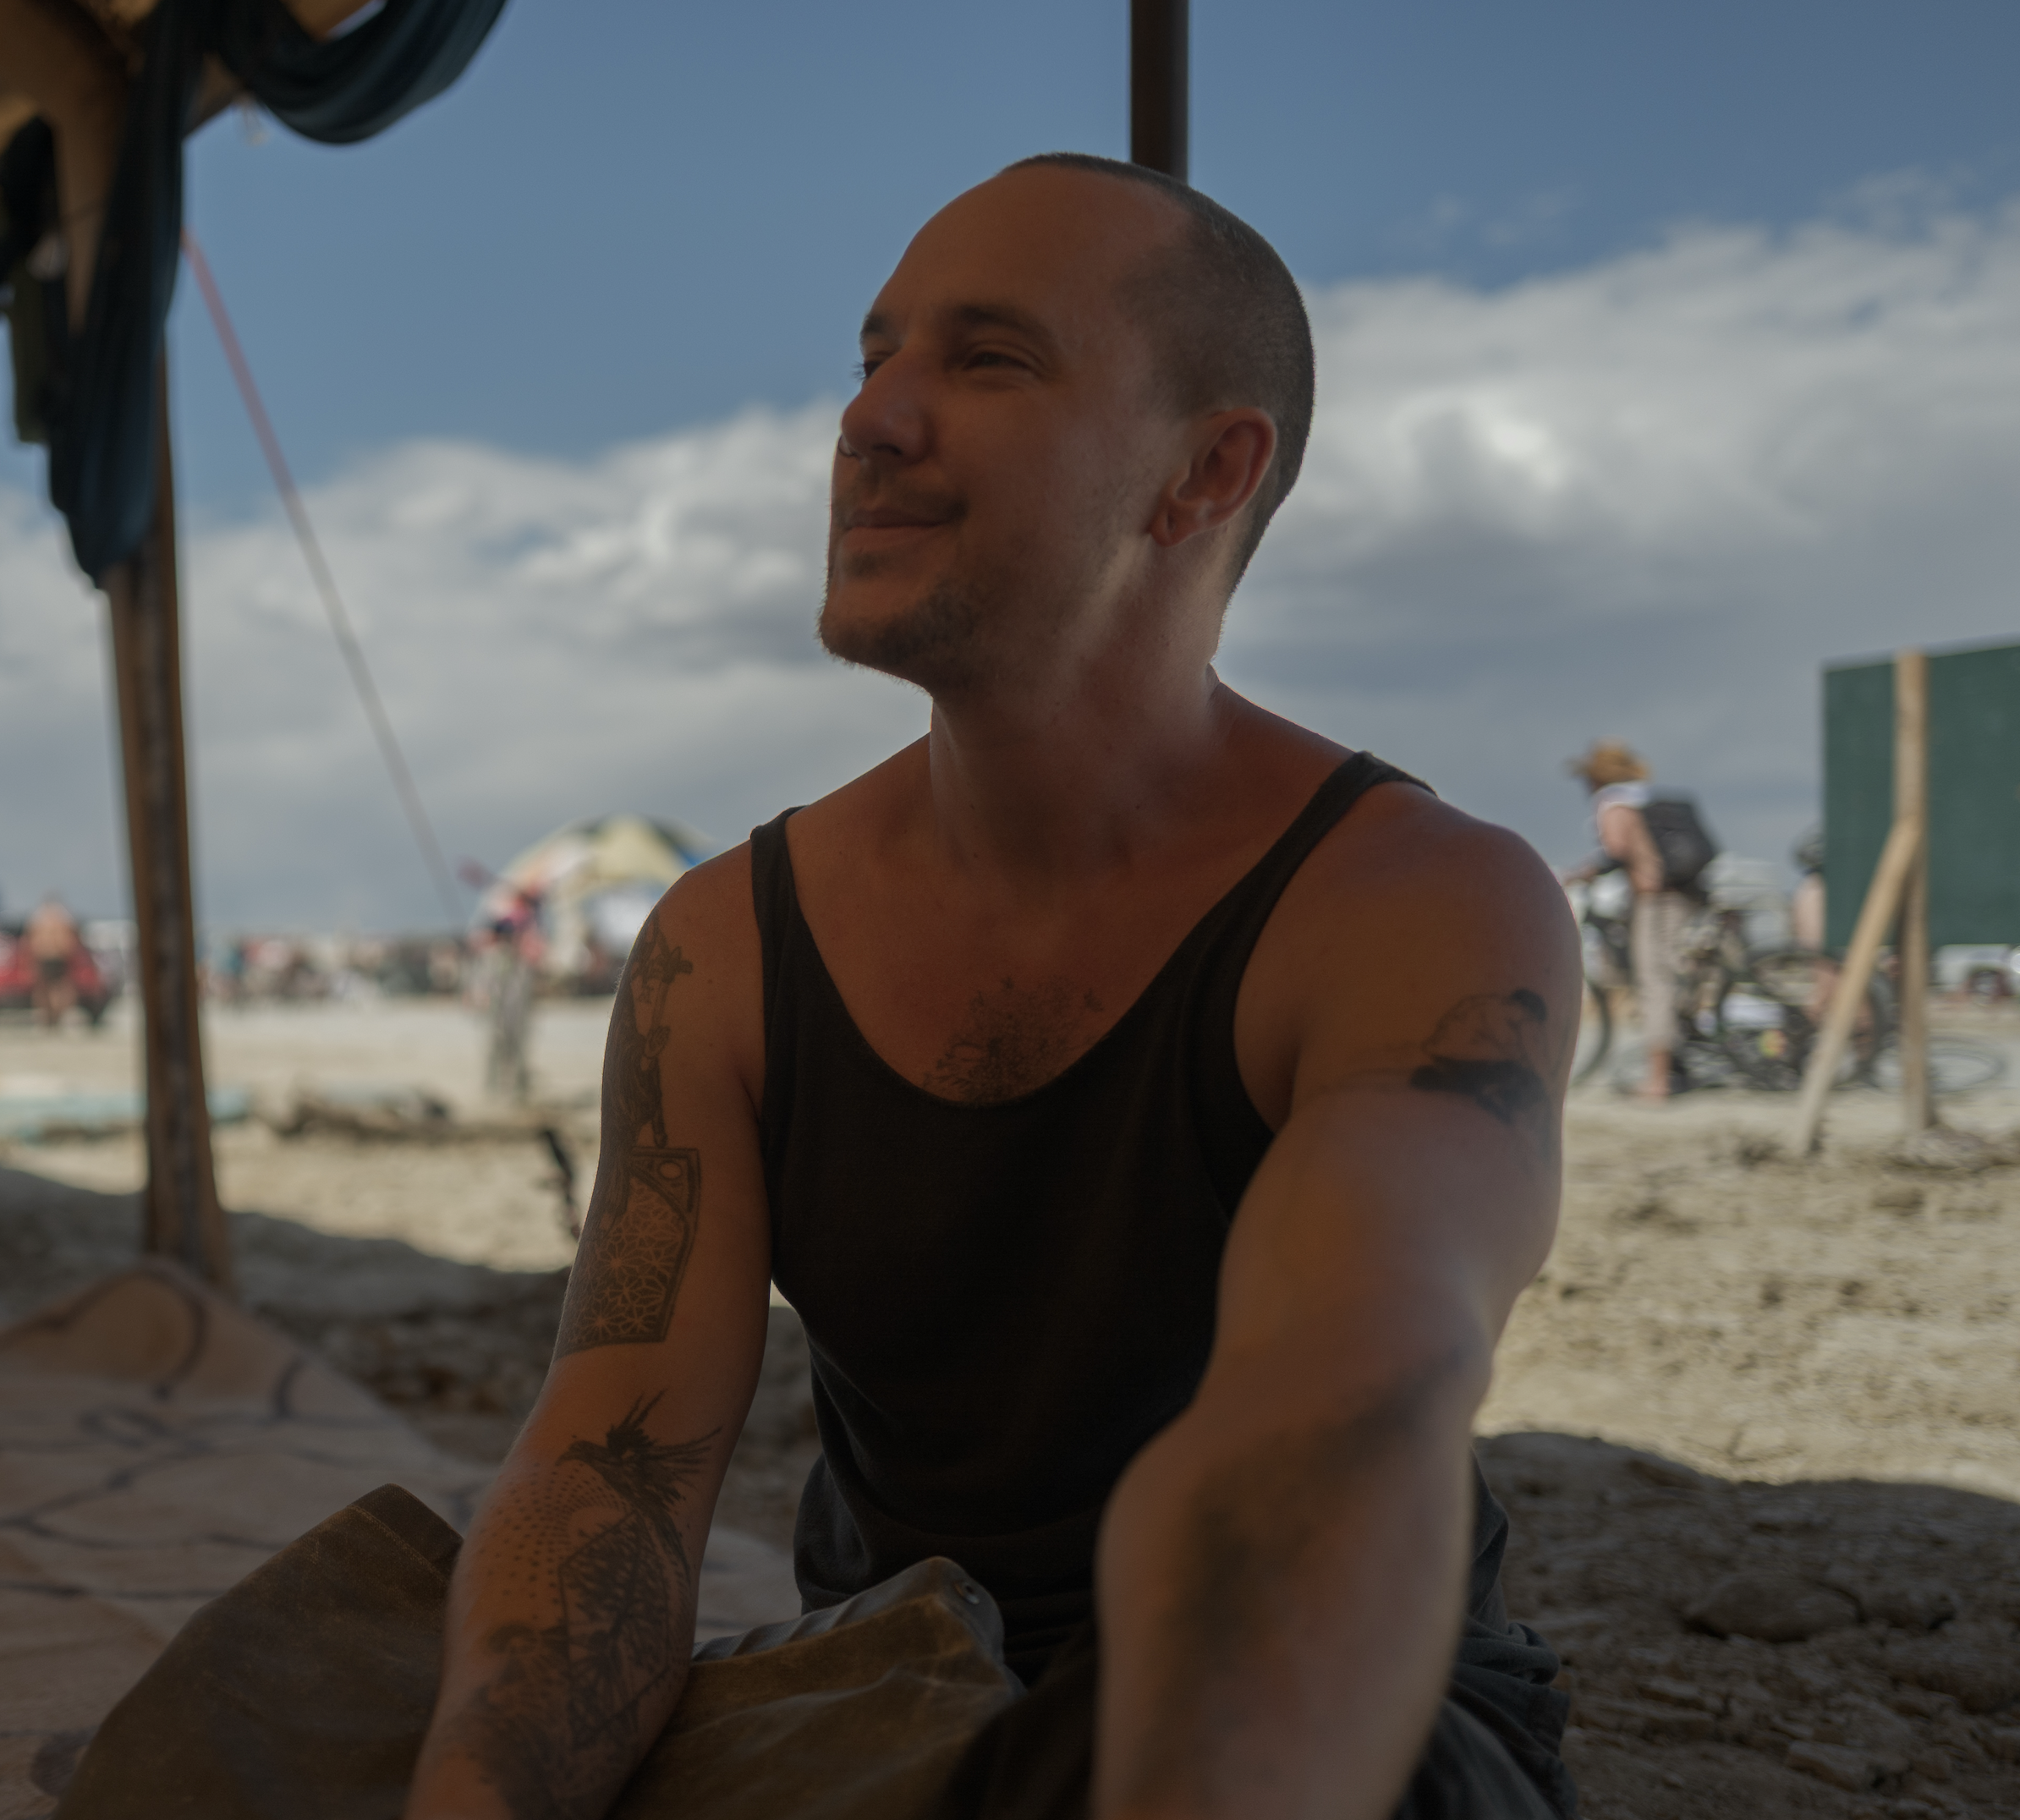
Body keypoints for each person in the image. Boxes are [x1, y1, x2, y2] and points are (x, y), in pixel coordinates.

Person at [388, 154, 1580, 1818]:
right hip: (895, 1698)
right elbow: (613, 1473)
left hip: (1327, 1724)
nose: (868, 419)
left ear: (1204, 471)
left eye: (989, 358)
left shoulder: (1411, 906)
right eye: (874, 356)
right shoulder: (726, 944)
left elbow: (1333, 1419)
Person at [1561, 742, 1692, 1101]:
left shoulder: (1613, 802)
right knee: (1672, 977)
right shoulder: (1641, 797)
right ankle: (1676, 1065)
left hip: (1655, 900)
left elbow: (1616, 851)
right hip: (1678, 897)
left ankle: (1658, 1080)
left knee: (1655, 981)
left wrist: (1580, 874)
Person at [25, 892, 80, 1030]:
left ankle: (52, 1017)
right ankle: (54, 1017)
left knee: (48, 988)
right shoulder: (63, 917)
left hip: (48, 956)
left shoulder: (40, 918)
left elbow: (31, 940)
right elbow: (71, 939)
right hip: (56, 956)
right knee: (56, 988)